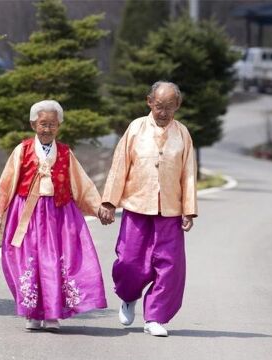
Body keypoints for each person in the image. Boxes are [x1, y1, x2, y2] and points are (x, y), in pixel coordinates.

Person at [0, 100, 107, 331]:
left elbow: (81, 183)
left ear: (59, 126)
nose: (47, 129)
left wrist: (99, 208)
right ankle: (32, 314)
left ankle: (52, 314)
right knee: (29, 261)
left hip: (58, 214)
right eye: (43, 124)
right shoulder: (22, 150)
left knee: (54, 261)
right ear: (34, 124)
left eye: (52, 124)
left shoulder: (65, 152)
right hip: (27, 213)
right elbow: (6, 183)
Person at [99, 81, 197, 337]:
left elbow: (188, 174)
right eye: (159, 106)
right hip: (137, 205)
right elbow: (120, 165)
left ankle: (155, 317)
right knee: (130, 261)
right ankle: (129, 296)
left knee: (170, 266)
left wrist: (189, 209)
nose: (163, 112)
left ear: (177, 105)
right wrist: (109, 201)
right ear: (149, 102)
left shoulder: (183, 134)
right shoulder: (135, 128)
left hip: (171, 210)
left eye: (169, 107)